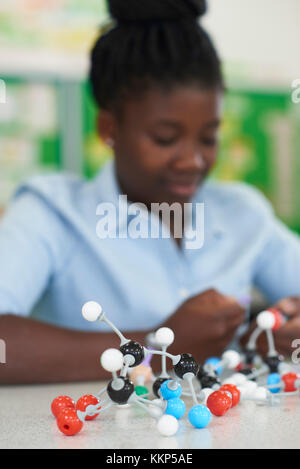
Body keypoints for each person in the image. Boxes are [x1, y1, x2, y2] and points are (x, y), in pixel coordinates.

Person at [0, 0, 300, 384]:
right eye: (165, 138)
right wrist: (157, 350)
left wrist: (283, 330)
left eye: (209, 138)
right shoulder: (51, 213)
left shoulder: (243, 212)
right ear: (109, 128)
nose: (192, 160)